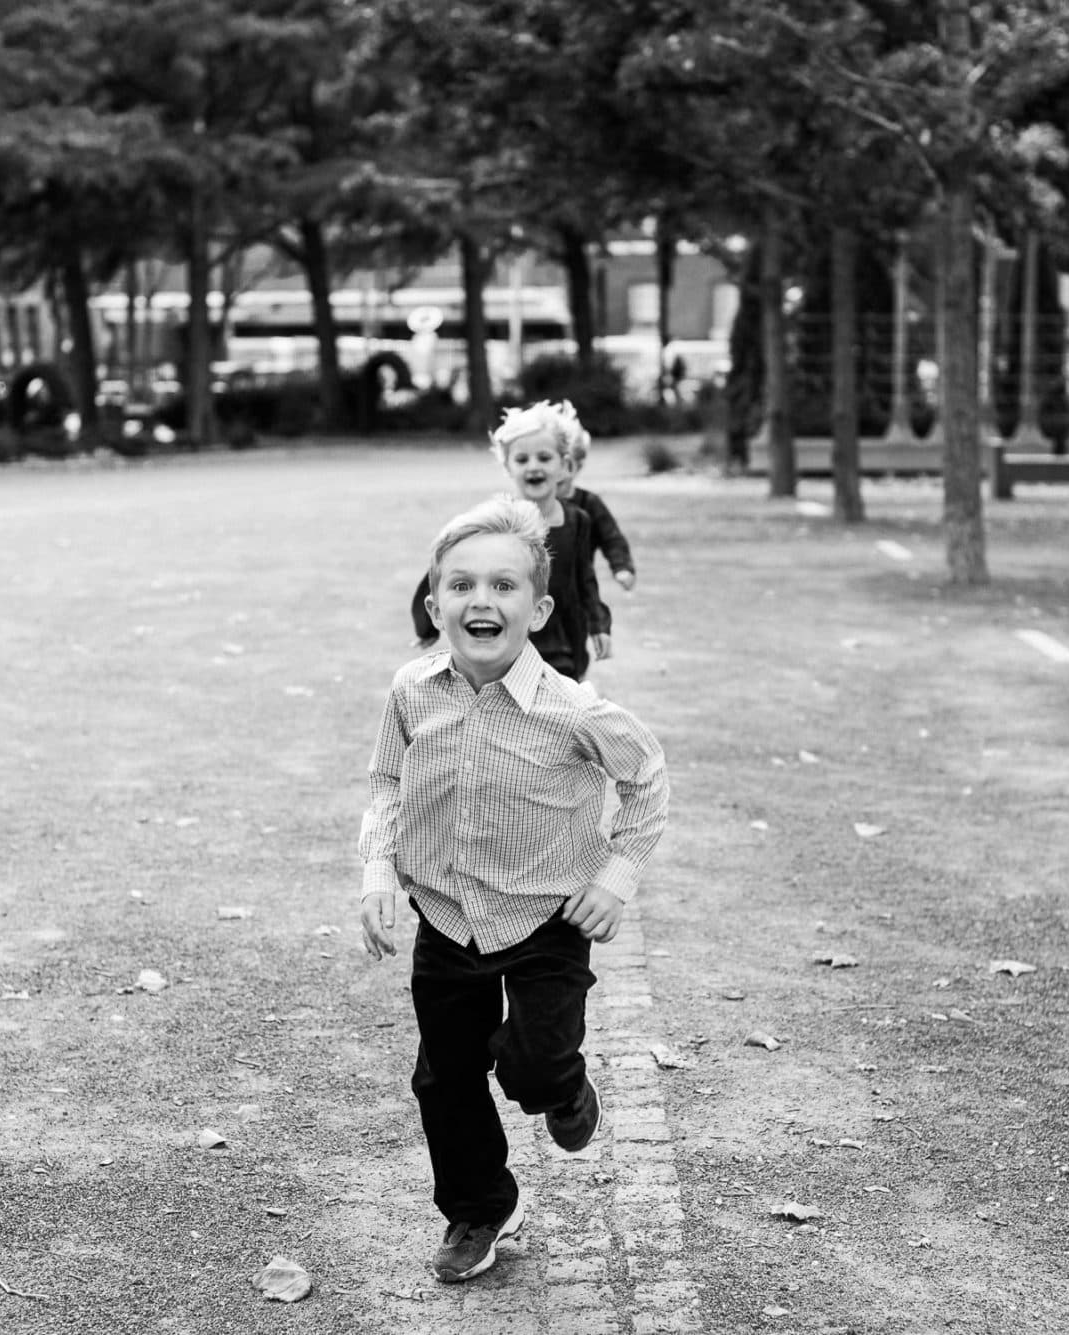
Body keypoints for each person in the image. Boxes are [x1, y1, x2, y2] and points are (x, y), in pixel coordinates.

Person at [359, 495, 670, 1285]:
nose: (481, 601)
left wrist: (617, 875)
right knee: (444, 1074)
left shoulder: (573, 709)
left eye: (503, 586)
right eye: (460, 585)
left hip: (546, 916)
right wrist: (377, 870)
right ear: (434, 604)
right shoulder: (411, 691)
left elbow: (647, 778)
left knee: (530, 1067)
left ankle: (562, 1088)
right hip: (447, 914)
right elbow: (387, 782)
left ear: (539, 606)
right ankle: (478, 1207)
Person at [409, 401, 610, 679]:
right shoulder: (498, 525)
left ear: (565, 466)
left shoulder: (578, 522)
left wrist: (599, 624)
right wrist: (427, 626)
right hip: (510, 642)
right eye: (522, 459)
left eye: (544, 457)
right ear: (508, 467)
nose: (533, 467)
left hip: (563, 644)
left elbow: (586, 580)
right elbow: (446, 569)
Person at [554, 414, 638, 594]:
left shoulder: (589, 504)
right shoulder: (528, 507)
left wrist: (621, 567)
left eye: (566, 464)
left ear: (577, 466)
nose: (557, 472)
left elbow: (612, 538)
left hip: (581, 592)